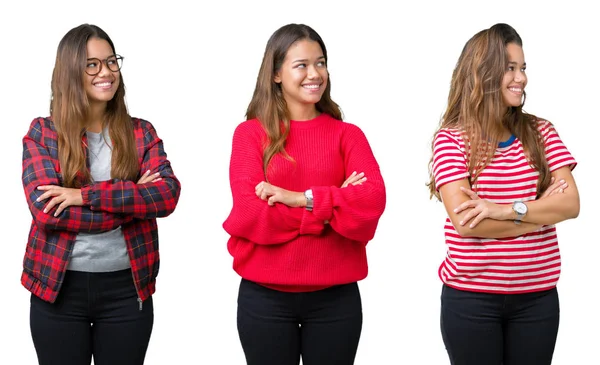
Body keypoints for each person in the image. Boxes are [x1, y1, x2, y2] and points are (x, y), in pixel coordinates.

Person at [222, 23, 386, 365]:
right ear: (276, 74)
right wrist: (333, 205)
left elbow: (372, 201)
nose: (315, 74)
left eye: (321, 63)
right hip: (264, 299)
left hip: (336, 300)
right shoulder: (250, 135)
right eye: (302, 65)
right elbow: (252, 214)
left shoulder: (348, 135)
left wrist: (299, 198)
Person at [21, 24, 181, 365]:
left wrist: (85, 196)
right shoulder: (43, 133)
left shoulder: (141, 132)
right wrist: (134, 199)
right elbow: (48, 213)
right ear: (70, 72)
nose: (106, 72)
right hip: (58, 289)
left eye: (111, 62)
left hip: (127, 290)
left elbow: (167, 195)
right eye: (92, 64)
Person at [427, 23, 579, 365]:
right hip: (471, 302)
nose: (520, 78)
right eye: (509, 68)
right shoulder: (451, 140)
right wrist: (538, 213)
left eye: (522, 68)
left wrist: (504, 209)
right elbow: (467, 223)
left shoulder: (541, 131)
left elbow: (570, 204)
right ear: (482, 74)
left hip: (538, 300)